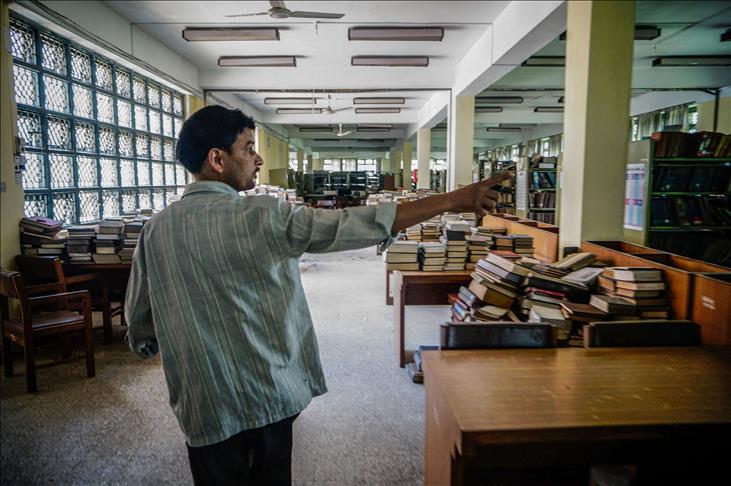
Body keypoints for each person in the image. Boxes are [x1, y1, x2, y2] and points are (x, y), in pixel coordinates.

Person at [125, 105, 509, 485]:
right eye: (247, 148)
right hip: (268, 393)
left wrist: (153, 345)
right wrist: (453, 200)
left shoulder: (153, 231)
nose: (258, 159)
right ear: (217, 159)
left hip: (202, 401)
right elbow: (350, 224)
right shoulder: (265, 216)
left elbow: (140, 324)